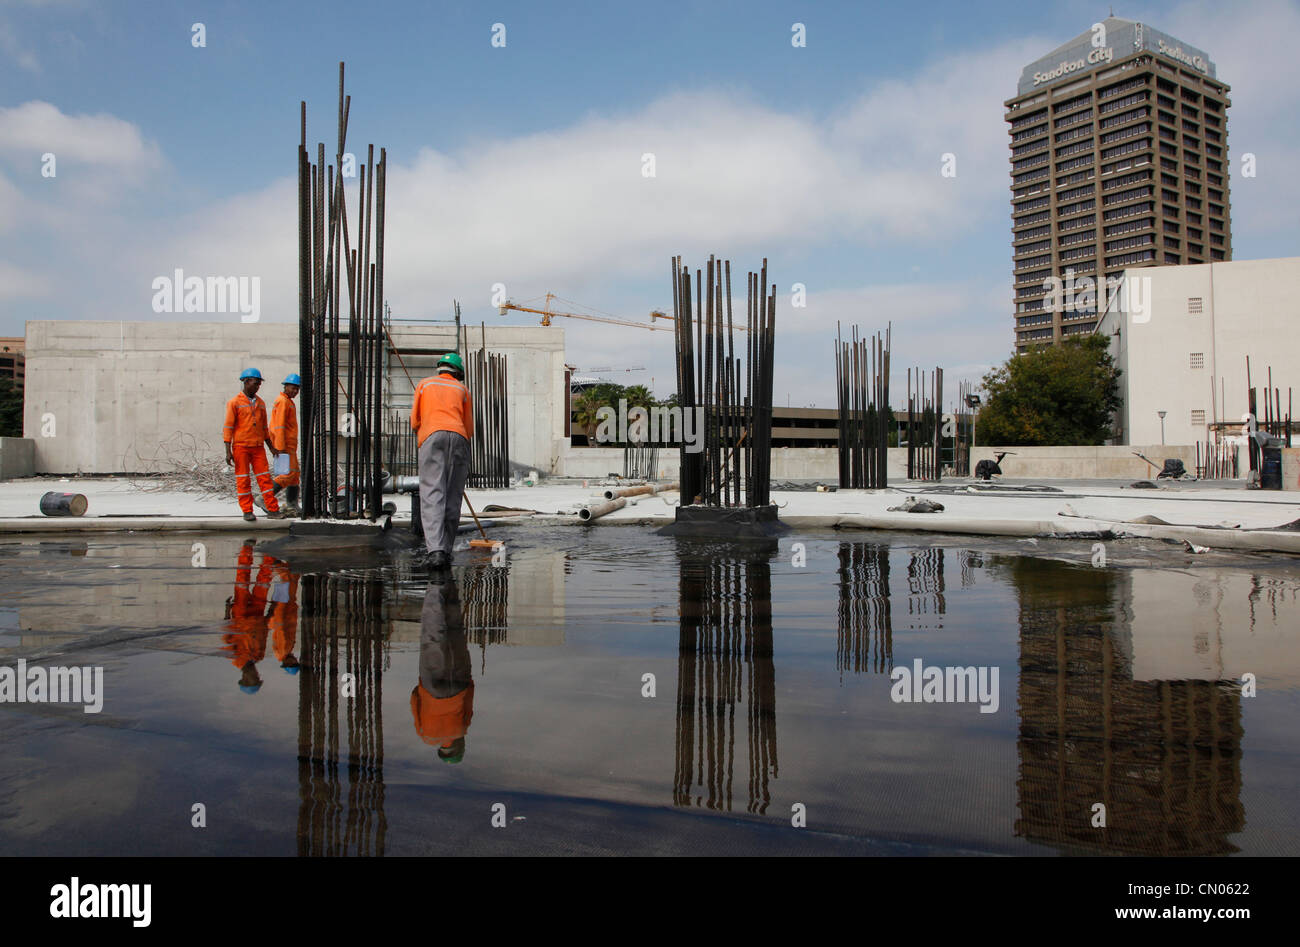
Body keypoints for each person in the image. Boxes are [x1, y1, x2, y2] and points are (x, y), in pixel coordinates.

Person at [410, 352, 473, 569]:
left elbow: (414, 420)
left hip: (432, 436)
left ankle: (436, 552)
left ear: (440, 368)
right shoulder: (462, 389)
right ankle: (446, 549)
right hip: (459, 437)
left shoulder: (424, 385)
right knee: (453, 494)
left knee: (432, 493)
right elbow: (469, 427)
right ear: (458, 373)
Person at [410, 575, 473, 763]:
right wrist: (421, 688)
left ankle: (446, 588)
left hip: (459, 688)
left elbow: (469, 702)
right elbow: (414, 702)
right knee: (432, 637)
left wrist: (467, 681)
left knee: (455, 637)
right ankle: (435, 589)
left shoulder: (462, 730)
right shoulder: (425, 735)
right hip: (432, 690)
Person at [223, 368, 285, 522]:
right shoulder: (234, 403)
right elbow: (228, 427)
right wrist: (228, 450)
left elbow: (264, 428)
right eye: (255, 383)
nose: (257, 386)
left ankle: (272, 509)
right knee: (243, 480)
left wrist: (270, 447)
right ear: (246, 382)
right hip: (241, 447)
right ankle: (247, 510)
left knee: (264, 479)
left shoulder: (261, 404)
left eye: (259, 384)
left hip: (258, 447)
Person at [270, 374, 302, 516]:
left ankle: (292, 505)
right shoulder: (283, 401)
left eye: (297, 389)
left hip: (289, 446)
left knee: (294, 476)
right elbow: (279, 426)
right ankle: (265, 497)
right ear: (286, 386)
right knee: (287, 475)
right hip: (284, 446)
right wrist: (280, 447)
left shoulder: (287, 401)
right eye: (293, 388)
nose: (295, 391)